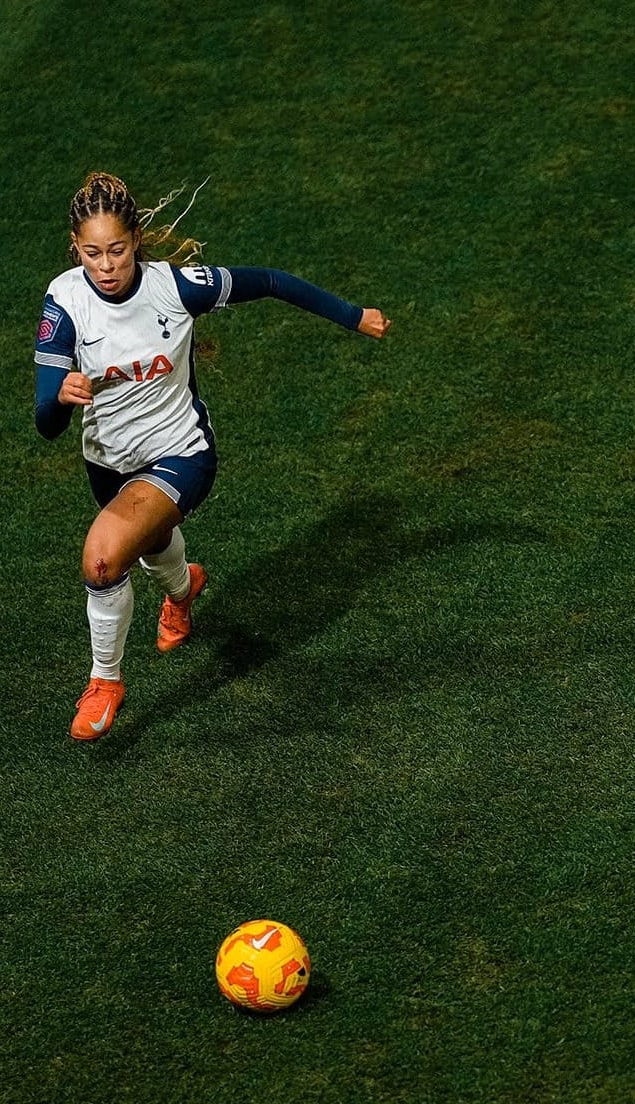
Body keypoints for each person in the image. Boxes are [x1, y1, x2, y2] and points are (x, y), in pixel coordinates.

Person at [34, 171, 391, 741]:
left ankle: (106, 681)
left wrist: (353, 315)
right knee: (148, 541)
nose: (106, 266)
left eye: (118, 250)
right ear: (75, 248)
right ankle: (183, 590)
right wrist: (60, 396)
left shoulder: (177, 289)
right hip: (107, 463)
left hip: (182, 454)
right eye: (92, 253)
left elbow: (270, 280)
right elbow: (46, 424)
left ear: (137, 243)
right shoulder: (64, 301)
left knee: (103, 559)